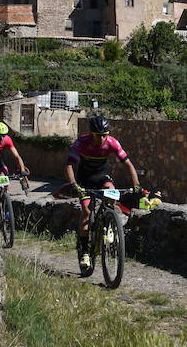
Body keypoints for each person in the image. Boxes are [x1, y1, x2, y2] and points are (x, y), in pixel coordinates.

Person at [63, 115, 141, 270]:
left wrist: (136, 184)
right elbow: (69, 164)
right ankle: (85, 251)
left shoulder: (112, 143)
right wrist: (73, 184)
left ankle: (109, 223)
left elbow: (128, 164)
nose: (103, 138)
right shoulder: (82, 142)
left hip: (101, 176)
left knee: (111, 192)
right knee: (86, 210)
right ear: (93, 134)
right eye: (99, 135)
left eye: (105, 134)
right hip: (84, 180)